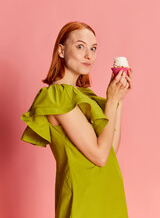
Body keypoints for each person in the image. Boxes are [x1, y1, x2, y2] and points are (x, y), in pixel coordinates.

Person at [20, 21, 133, 218]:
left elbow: (110, 151)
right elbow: (99, 155)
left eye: (93, 48)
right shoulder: (56, 96)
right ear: (61, 51)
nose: (89, 55)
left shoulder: (86, 96)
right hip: (82, 199)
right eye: (80, 46)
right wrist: (112, 99)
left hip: (108, 193)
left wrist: (118, 102)